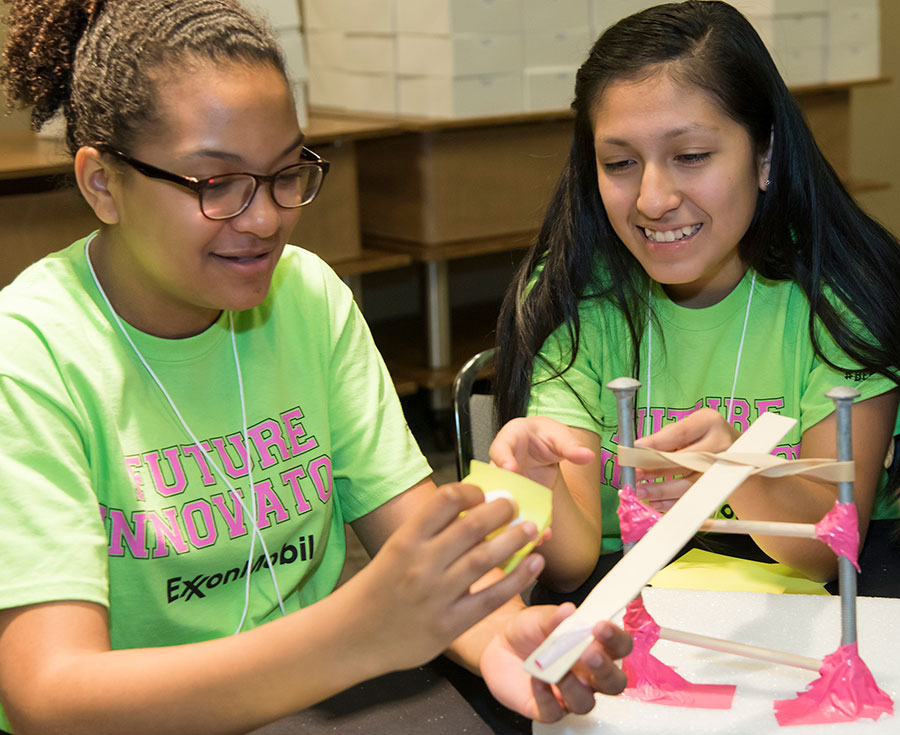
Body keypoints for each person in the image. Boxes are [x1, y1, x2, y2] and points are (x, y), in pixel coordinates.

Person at [0, 1, 633, 732]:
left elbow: (413, 535)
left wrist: (499, 637)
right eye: (217, 183)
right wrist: (353, 634)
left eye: (284, 173)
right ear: (102, 183)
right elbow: (49, 693)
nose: (265, 218)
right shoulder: (31, 358)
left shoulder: (305, 298)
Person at [492, 0, 900, 595]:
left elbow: (825, 549)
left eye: (690, 157)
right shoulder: (577, 297)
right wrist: (541, 482)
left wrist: (737, 473)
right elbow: (572, 563)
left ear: (765, 156)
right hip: (632, 608)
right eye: (620, 162)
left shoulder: (841, 299)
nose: (653, 199)